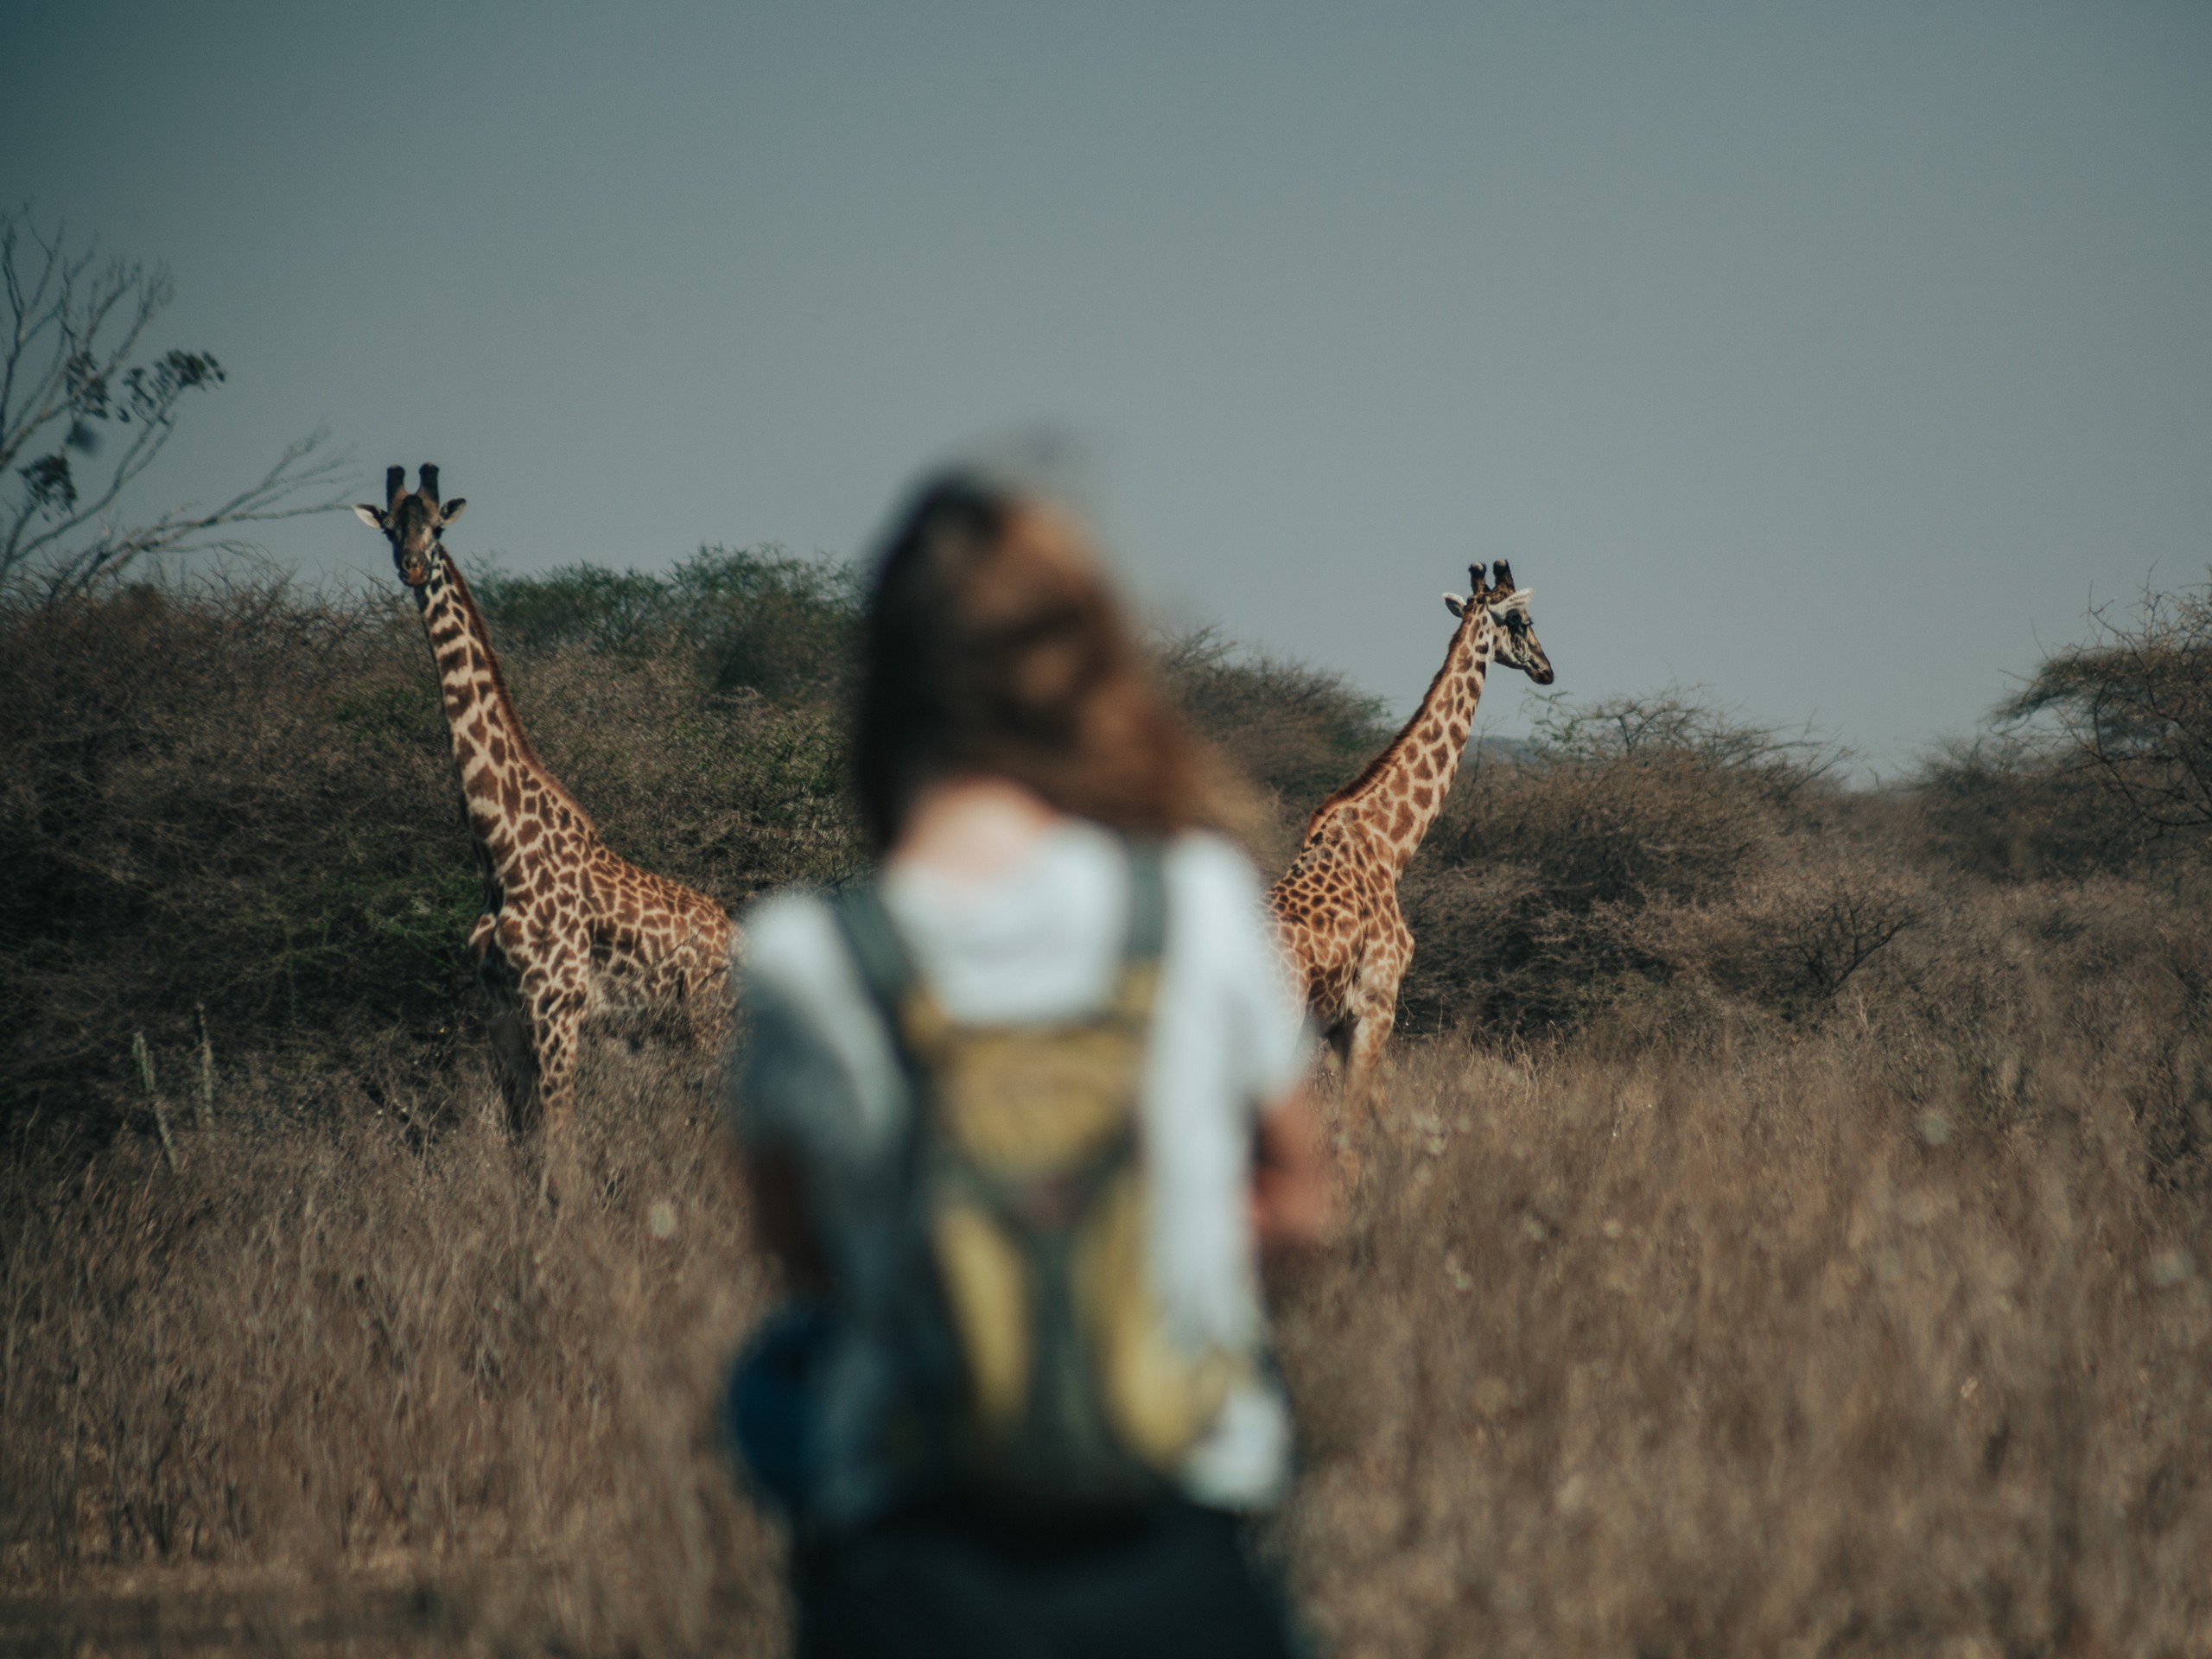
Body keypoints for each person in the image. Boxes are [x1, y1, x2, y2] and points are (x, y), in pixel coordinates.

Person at [728, 470, 1332, 1659]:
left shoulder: (803, 955)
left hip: (914, 1584)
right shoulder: (1202, 902)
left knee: (773, 1382)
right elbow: (1301, 1205)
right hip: (1179, 1560)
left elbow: (806, 1259)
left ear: (887, 678)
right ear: (1084, 671)